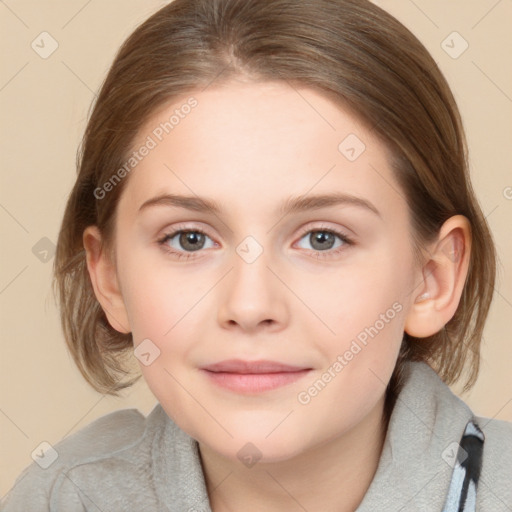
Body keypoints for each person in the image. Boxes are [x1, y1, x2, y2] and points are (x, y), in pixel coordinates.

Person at [2, 0, 511, 510]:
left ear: (432, 278)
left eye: (322, 239)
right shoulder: (60, 498)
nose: (249, 305)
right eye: (189, 239)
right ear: (109, 277)